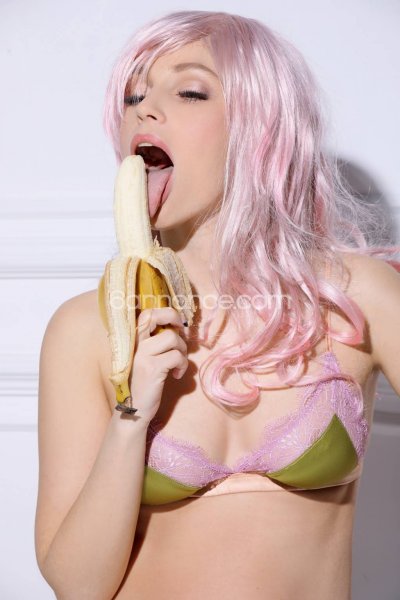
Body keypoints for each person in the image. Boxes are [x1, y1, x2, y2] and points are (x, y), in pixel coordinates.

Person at [34, 10, 400, 599]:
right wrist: (131, 419)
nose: (144, 110)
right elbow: (77, 585)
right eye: (133, 96)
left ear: (261, 128)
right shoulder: (84, 329)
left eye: (189, 91)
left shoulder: (358, 297)